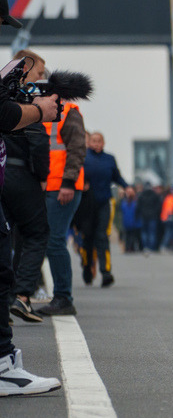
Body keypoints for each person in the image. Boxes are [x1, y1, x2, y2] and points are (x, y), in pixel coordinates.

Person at [0, 0, 63, 395]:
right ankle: (4, 364)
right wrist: (40, 110)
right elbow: (3, 117)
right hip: (23, 180)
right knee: (9, 255)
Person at [35, 55, 88, 318]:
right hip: (49, 187)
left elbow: (77, 150)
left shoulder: (69, 113)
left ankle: (64, 298)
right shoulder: (43, 112)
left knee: (55, 240)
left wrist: (68, 183)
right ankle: (55, 294)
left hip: (63, 188)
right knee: (50, 240)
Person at [3, 50, 50, 323]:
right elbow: (38, 141)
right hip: (20, 173)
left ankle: (5, 302)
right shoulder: (26, 97)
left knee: (5, 237)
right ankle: (21, 297)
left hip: (1, 172)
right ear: (25, 69)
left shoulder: (2, 92)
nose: (42, 78)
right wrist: (43, 177)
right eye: (40, 72)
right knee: (36, 233)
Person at [80, 131, 128, 287]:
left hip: (104, 202)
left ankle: (106, 272)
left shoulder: (109, 159)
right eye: (93, 140)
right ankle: (87, 267)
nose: (96, 143)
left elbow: (117, 177)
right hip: (86, 204)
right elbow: (75, 174)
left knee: (102, 236)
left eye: (99, 141)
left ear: (104, 143)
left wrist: (127, 187)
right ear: (89, 142)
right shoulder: (83, 157)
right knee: (87, 238)